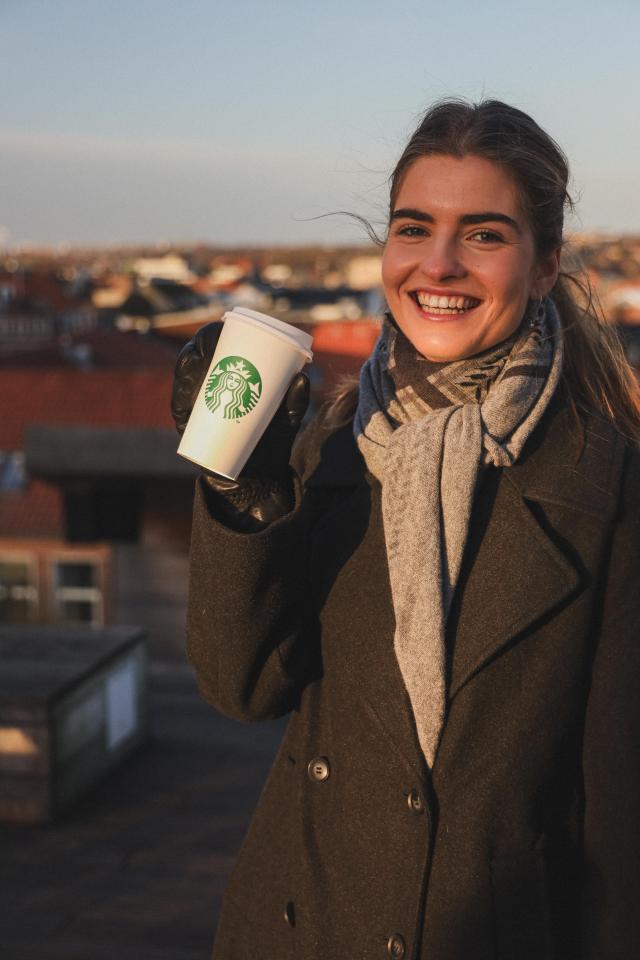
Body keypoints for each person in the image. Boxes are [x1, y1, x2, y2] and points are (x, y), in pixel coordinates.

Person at [171, 99, 640, 960]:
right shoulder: (332, 447)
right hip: (302, 926)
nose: (439, 264)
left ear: (545, 268)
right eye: (413, 227)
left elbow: (620, 821)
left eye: (486, 234)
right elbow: (242, 685)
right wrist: (244, 487)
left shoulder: (608, 483)